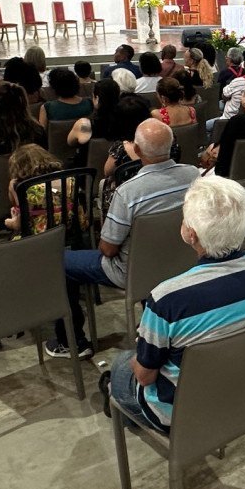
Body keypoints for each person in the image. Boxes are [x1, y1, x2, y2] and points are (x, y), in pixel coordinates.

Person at [103, 174, 245, 431]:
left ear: (190, 233)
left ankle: (112, 393)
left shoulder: (167, 298)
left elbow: (145, 377)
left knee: (123, 364)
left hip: (185, 416)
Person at [59, 121, 197, 358]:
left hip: (132, 271)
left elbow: (108, 249)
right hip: (182, 261)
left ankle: (71, 342)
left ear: (139, 151)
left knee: (60, 261)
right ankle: (149, 321)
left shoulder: (129, 192)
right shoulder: (194, 175)